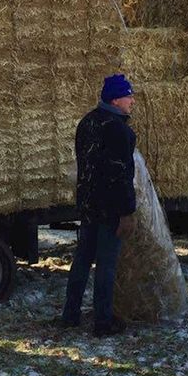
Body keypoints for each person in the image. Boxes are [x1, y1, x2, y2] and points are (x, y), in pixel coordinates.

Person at [61, 73, 137, 337]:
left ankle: (69, 315)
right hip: (110, 209)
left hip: (88, 205)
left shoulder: (87, 123)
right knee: (106, 265)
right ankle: (103, 323)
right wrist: (127, 211)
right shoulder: (119, 130)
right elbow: (121, 175)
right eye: (129, 96)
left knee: (82, 261)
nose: (132, 101)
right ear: (116, 100)